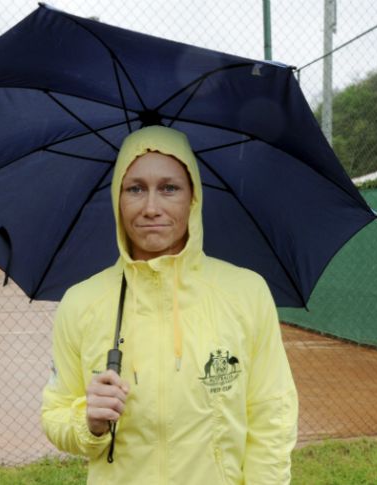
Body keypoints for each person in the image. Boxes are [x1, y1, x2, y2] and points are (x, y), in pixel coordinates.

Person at [41, 125, 298, 484]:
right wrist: (89, 422)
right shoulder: (81, 302)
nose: (151, 207)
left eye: (169, 188)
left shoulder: (246, 292)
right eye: (135, 189)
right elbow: (54, 413)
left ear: (192, 198)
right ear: (118, 199)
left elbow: (272, 417)